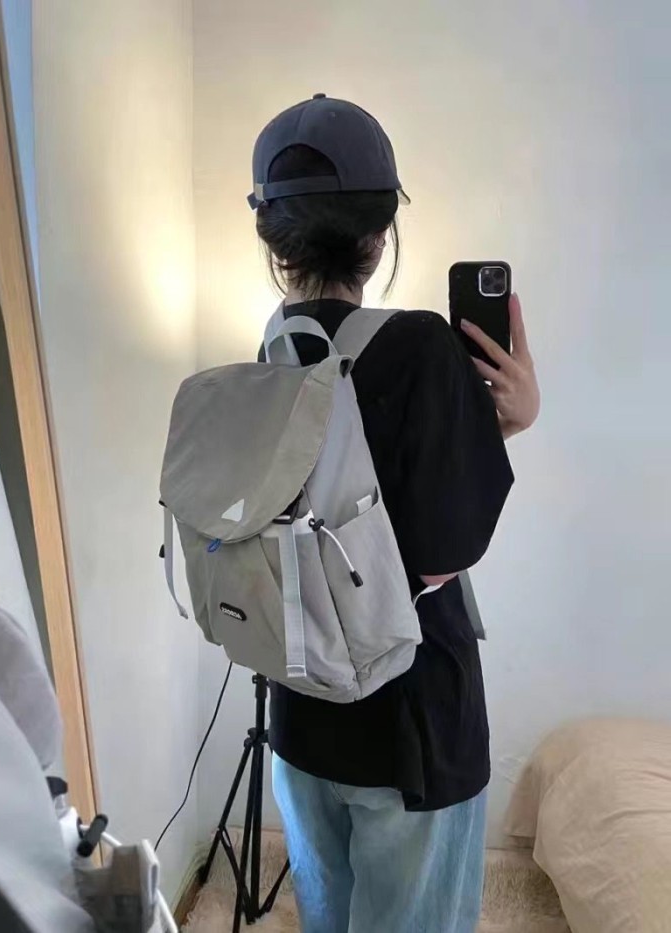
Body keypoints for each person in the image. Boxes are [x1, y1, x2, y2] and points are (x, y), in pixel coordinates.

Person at [251, 95, 540, 933]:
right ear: (380, 235)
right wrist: (515, 418)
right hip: (411, 728)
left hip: (300, 711)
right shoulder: (420, 346)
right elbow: (444, 540)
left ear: (274, 241)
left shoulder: (271, 352)